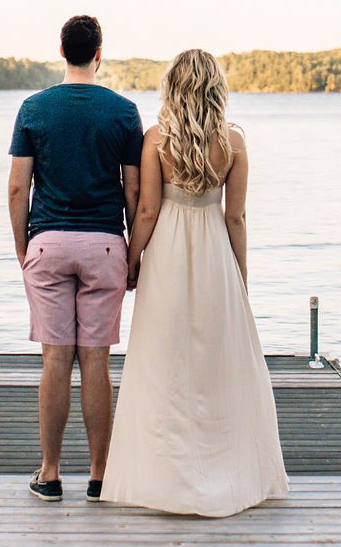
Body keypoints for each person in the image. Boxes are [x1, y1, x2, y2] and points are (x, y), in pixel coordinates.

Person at [101, 48, 288, 517]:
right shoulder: (234, 142)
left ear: (174, 87)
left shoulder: (156, 138)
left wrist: (131, 259)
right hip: (214, 253)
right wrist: (240, 274)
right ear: (215, 88)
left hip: (166, 249)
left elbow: (146, 209)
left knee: (162, 361)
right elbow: (237, 217)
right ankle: (224, 469)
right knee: (216, 363)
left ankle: (166, 477)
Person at [8, 14, 144, 501]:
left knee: (54, 360)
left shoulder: (34, 107)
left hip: (48, 241)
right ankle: (99, 473)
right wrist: (134, 251)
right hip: (105, 243)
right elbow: (134, 188)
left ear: (62, 51)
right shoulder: (125, 112)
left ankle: (49, 473)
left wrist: (24, 246)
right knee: (96, 362)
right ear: (99, 53)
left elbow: (18, 185)